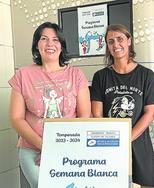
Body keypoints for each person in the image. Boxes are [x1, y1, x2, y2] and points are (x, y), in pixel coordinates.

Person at [9, 22, 91, 188]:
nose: (50, 44)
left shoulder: (76, 75)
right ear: (36, 45)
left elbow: (84, 116)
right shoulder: (23, 75)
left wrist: (62, 146)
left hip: (69, 150)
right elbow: (16, 118)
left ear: (61, 46)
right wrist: (44, 146)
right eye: (44, 39)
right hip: (33, 151)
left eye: (55, 39)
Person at [91, 24, 154, 188]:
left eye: (120, 39)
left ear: (129, 41)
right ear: (107, 47)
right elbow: (97, 114)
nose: (116, 45)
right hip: (109, 146)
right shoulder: (100, 77)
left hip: (140, 146)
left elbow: (149, 114)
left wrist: (126, 139)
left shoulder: (146, 75)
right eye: (110, 41)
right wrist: (114, 142)